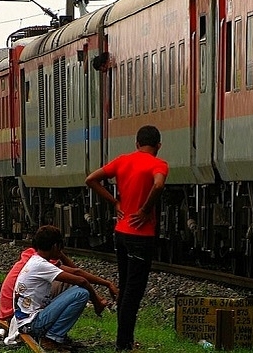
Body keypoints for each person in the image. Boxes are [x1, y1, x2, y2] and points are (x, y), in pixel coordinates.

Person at [85, 125, 169, 351]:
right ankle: (123, 343)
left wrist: (115, 202)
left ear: (137, 143)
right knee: (134, 291)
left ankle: (124, 340)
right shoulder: (158, 164)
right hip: (141, 236)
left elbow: (91, 179)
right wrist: (145, 209)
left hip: (121, 232)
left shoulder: (122, 160)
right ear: (158, 146)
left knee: (125, 285)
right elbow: (159, 184)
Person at [4, 225, 118, 352]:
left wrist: (107, 283)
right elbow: (82, 281)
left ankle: (51, 336)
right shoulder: (42, 265)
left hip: (26, 322)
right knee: (81, 293)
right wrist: (97, 303)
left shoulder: (37, 261)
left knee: (77, 289)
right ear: (55, 247)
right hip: (31, 324)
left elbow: (77, 272)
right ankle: (51, 338)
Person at [0, 246, 77, 322]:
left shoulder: (30, 254)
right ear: (54, 246)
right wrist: (60, 254)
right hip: (18, 314)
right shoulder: (43, 259)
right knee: (67, 280)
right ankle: (56, 328)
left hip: (8, 311)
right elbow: (76, 272)